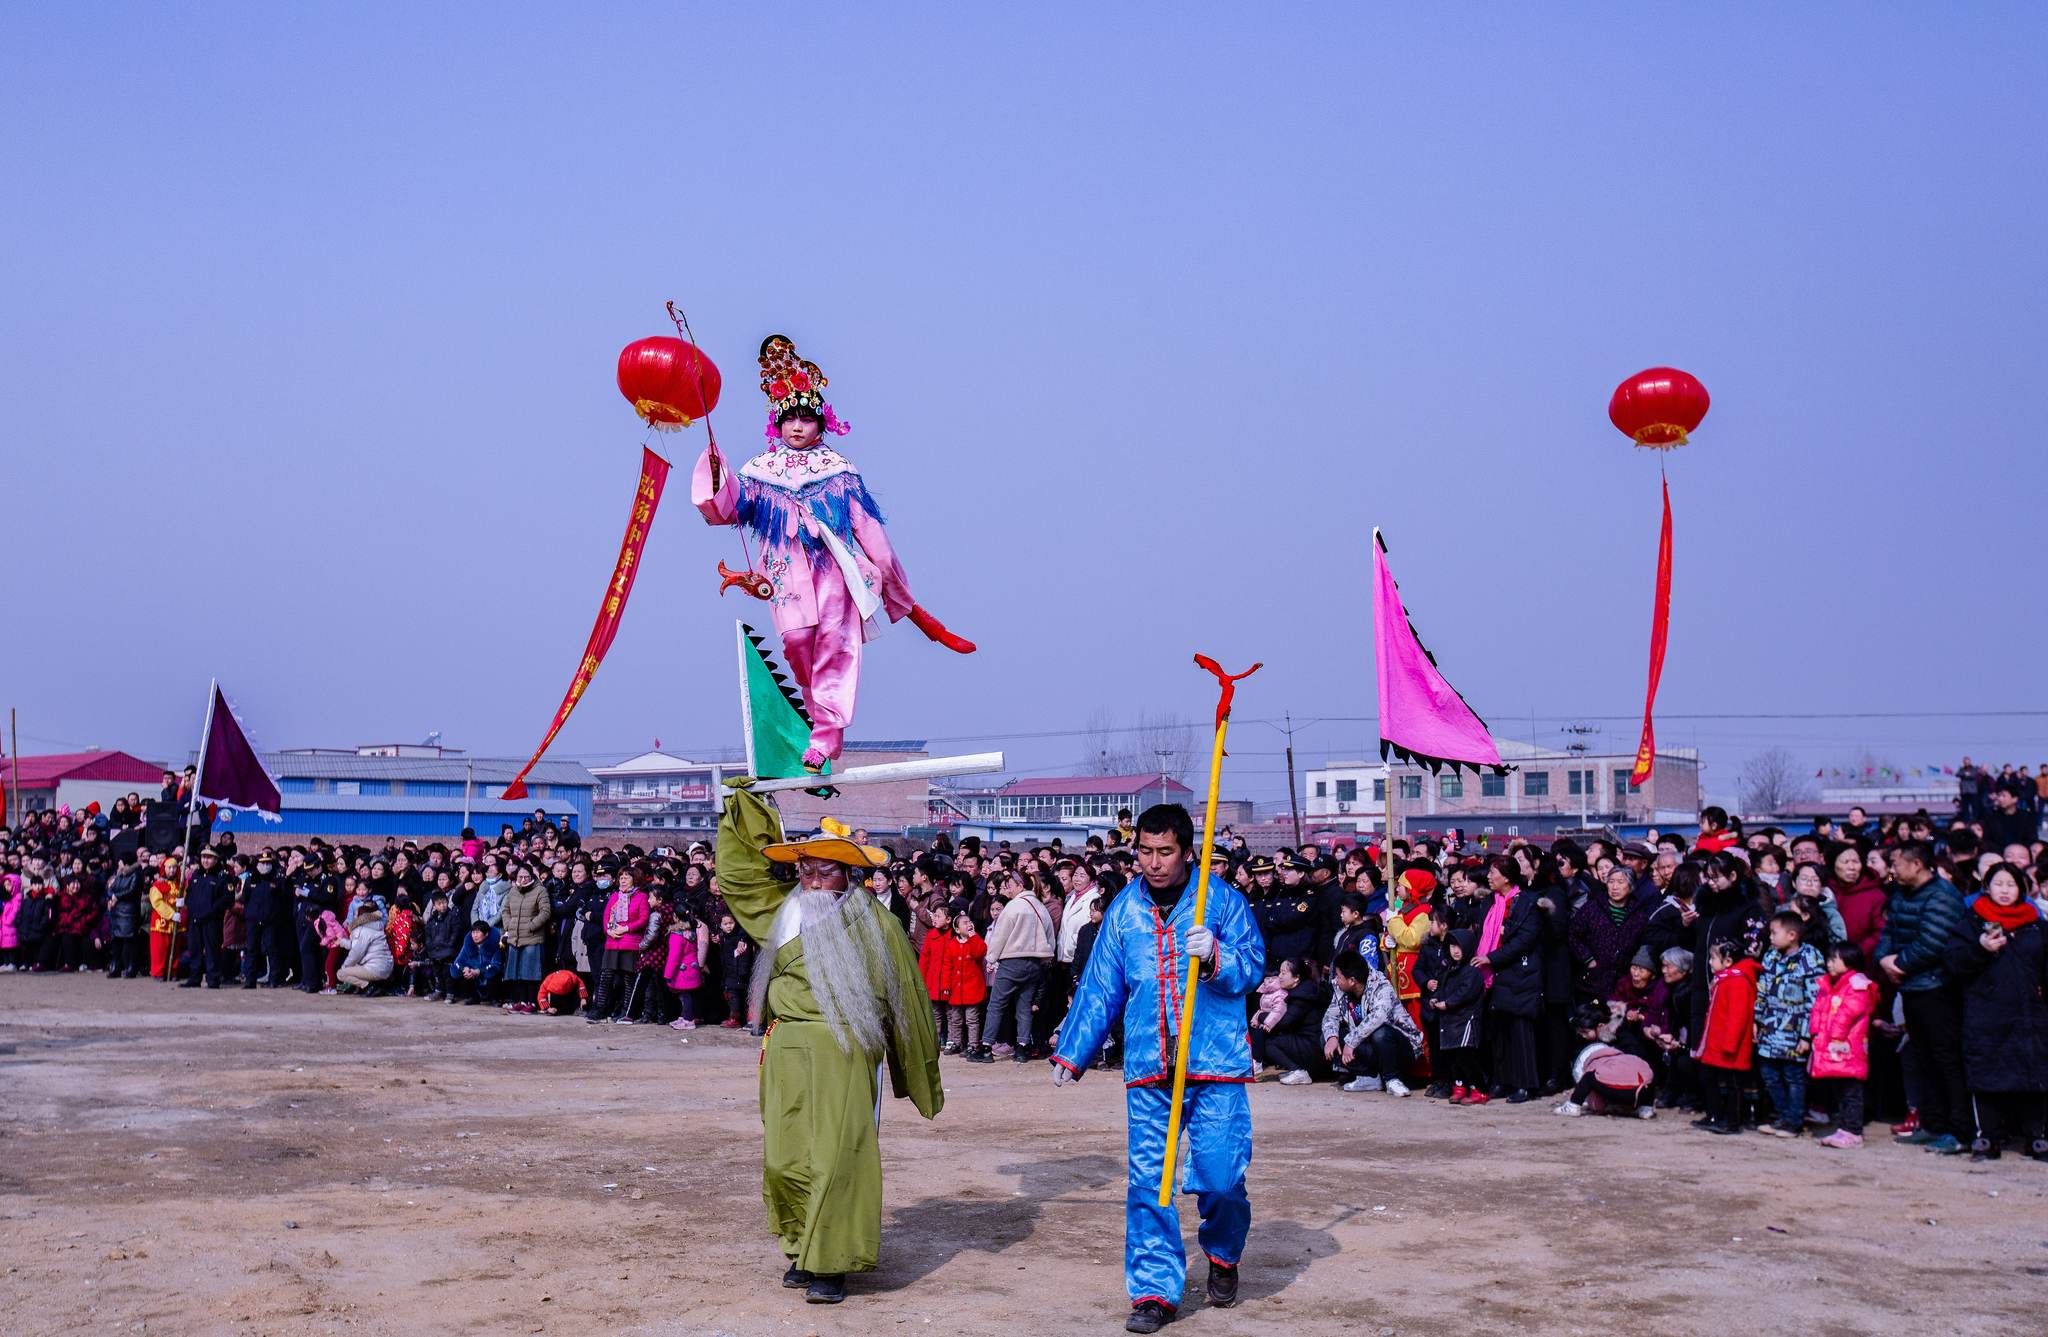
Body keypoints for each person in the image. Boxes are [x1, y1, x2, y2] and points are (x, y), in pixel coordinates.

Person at [690, 336, 974, 770]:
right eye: (789, 419)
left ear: (822, 424)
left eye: (806, 418)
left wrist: (899, 592)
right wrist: (714, 473)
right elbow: (726, 510)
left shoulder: (838, 472)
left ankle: (826, 734)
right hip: (785, 574)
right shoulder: (760, 473)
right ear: (777, 424)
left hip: (833, 572)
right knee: (797, 644)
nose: (797, 426)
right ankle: (818, 721)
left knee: (834, 645)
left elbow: (873, 536)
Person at [714, 787, 942, 1307]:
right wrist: (746, 805)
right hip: (787, 1045)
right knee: (785, 1157)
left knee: (838, 1157)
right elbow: (738, 877)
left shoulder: (876, 923)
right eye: (807, 870)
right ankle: (802, 1247)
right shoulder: (782, 909)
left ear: (850, 876)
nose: (814, 880)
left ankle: (832, 1265)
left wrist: (917, 1072)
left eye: (827, 871)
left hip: (844, 1049)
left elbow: (906, 998)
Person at [1051, 803, 1263, 1333]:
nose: (1153, 862)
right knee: (1151, 1182)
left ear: (1186, 851)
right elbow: (1102, 986)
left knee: (1220, 1173)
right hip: (1150, 1066)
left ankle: (1222, 1250)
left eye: (1164, 851)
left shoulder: (1222, 903)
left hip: (1213, 1062)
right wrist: (1074, 1051)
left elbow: (1253, 966)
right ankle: (1154, 1291)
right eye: (1144, 851)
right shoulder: (1123, 911)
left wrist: (1216, 956)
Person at [1942, 862, 2048, 1162]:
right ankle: (1988, 1137)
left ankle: (2036, 1137)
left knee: (2034, 1075)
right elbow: (1953, 963)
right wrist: (1980, 948)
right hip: (1985, 1013)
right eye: (1998, 884)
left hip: (2030, 1013)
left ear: (2022, 890)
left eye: (2011, 885)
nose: (2004, 890)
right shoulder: (1972, 922)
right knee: (1987, 1074)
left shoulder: (2036, 924)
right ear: (1987, 887)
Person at [1876, 840, 1969, 1153]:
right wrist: (1883, 959)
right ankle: (1933, 1124)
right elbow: (1889, 931)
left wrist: (1898, 964)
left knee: (1946, 1059)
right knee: (1924, 1058)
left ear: (1916, 864)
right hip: (1912, 987)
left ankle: (1959, 1131)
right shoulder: (1902, 894)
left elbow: (1934, 942)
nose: (1892, 868)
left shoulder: (1943, 896)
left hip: (1937, 988)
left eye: (1897, 862)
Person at [1752, 912, 1823, 1138]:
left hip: (1794, 1032)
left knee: (1794, 1077)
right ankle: (1782, 1116)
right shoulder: (1771, 956)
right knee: (1769, 1075)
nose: (1770, 937)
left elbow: (1814, 1000)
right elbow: (1761, 989)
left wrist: (1806, 1036)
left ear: (1792, 935)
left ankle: (1794, 1121)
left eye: (1774, 932)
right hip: (1770, 1030)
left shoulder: (1810, 958)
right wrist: (1756, 1018)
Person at [1322, 948, 1419, 1096]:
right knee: (1327, 1038)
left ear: (1352, 980)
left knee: (1380, 1033)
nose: (1335, 980)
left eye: (1339, 976)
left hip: (1401, 1049)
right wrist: (1331, 1037)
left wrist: (1351, 1042)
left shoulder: (1381, 986)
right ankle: (1370, 1078)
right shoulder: (1340, 989)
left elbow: (1378, 1017)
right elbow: (1330, 1016)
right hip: (1367, 1046)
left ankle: (1392, 1079)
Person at [1810, 941, 1877, 1149]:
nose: (1829, 964)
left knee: (1852, 1092)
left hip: (1849, 1048)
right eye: (1828, 959)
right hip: (1832, 1046)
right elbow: (1818, 1010)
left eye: (1834, 959)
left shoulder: (1857, 984)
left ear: (1849, 960)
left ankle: (1854, 1131)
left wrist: (1834, 1035)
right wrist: (1815, 1032)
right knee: (1840, 1091)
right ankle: (1843, 1128)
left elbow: (1849, 1012)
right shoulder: (1829, 985)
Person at [984, 869, 1056, 1060]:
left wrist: (991, 957)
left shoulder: (1013, 906)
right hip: (1034, 964)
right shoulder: (1040, 907)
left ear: (1019, 885)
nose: (1008, 888)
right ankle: (1022, 1048)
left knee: (996, 1004)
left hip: (1011, 961)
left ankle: (985, 1046)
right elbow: (1050, 937)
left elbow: (1000, 935)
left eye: (1010, 885)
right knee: (1024, 1007)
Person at [1694, 940, 1758, 1135]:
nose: (1710, 962)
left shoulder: (1738, 982)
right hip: (1716, 1043)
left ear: (1728, 960)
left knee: (1733, 1085)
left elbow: (1738, 1017)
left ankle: (1732, 1121)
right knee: (1709, 1078)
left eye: (1713, 958)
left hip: (1729, 1046)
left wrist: (1730, 1045)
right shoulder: (1725, 979)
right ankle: (1714, 1114)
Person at [1555, 1002, 1657, 1118]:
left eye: (1585, 1032)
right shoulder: (1615, 1036)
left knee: (1589, 1077)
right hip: (1643, 1090)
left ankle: (1572, 1106)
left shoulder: (1623, 1039)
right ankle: (1645, 1108)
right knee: (1646, 1072)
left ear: (1600, 1026)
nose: (1581, 1035)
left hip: (1621, 1085)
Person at [1430, 928, 1487, 1103]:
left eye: (1459, 946)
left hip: (1465, 1020)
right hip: (1450, 1021)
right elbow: (1443, 989)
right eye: (1452, 946)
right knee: (1453, 1058)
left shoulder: (1472, 971)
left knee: (1466, 1057)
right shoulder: (1449, 970)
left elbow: (1465, 993)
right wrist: (1435, 999)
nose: (1455, 950)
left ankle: (1478, 1089)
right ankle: (1459, 1086)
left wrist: (1447, 1004)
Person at [1251, 957, 1330, 1084]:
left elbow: (1284, 1023)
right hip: (1308, 1044)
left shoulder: (1301, 996)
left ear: (1296, 978)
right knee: (1266, 1033)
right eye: (1280, 972)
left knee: (1269, 1042)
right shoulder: (1301, 990)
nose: (1279, 976)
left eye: (1284, 973)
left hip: (1313, 1049)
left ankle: (1298, 1071)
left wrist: (1261, 1016)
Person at [335, 903, 395, 994]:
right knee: (354, 966)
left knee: (341, 973)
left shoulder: (362, 930)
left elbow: (356, 953)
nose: (354, 917)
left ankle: (368, 986)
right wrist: (342, 942)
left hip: (375, 969)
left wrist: (345, 966)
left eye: (356, 914)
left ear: (360, 916)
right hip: (386, 966)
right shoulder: (376, 927)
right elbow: (356, 945)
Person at [447, 921, 503, 1004]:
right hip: (474, 976)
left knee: (493, 973)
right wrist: (464, 968)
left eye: (478, 932)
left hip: (487, 976)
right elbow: (457, 963)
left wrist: (479, 971)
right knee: (463, 973)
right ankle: (473, 997)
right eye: (473, 932)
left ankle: (494, 998)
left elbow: (496, 965)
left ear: (486, 934)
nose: (475, 935)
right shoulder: (468, 944)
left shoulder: (495, 944)